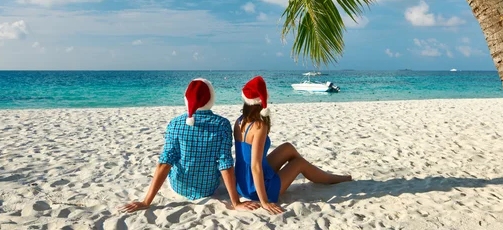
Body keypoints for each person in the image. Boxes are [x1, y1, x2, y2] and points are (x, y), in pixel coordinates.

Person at [122, 78, 259, 213]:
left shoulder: (175, 123)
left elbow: (165, 163)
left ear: (186, 99)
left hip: (179, 187)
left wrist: (146, 201)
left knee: (169, 157)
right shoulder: (221, 124)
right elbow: (225, 163)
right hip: (209, 188)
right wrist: (236, 203)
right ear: (212, 98)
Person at [234, 76, 352, 214]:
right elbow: (255, 166)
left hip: (242, 183)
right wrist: (265, 202)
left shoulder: (239, 121)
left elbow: (249, 161)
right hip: (256, 188)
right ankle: (330, 178)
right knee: (300, 163)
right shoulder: (259, 126)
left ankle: (311, 172)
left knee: (287, 147)